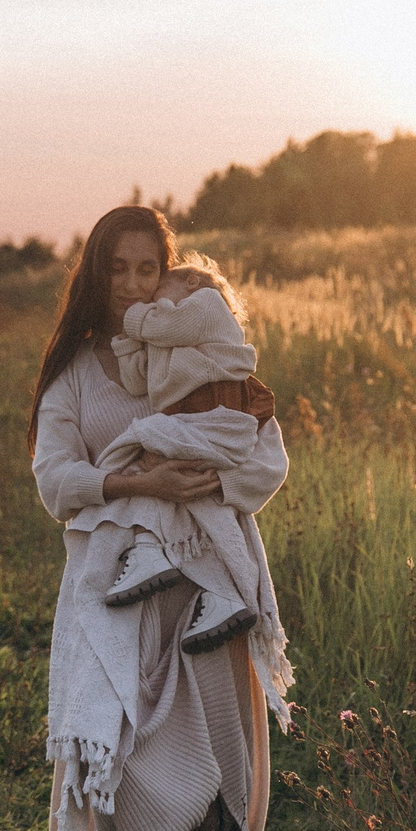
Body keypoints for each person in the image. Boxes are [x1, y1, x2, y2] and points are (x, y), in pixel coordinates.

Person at [29, 207, 295, 831]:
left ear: (167, 274)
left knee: (206, 745)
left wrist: (203, 484)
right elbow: (55, 477)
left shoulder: (198, 353)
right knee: (121, 739)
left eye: (147, 268)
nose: (132, 284)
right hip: (112, 583)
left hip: (203, 583)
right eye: (117, 268)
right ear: (95, 274)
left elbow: (262, 454)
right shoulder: (75, 372)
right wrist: (140, 482)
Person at [72, 257, 275, 655]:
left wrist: (133, 318)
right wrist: (128, 344)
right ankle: (217, 590)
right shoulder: (164, 332)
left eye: (160, 290)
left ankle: (154, 553)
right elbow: (138, 381)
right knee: (156, 474)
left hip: (214, 408)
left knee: (136, 452)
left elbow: (170, 325)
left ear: (192, 282)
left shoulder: (206, 306)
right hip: (190, 415)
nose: (151, 300)